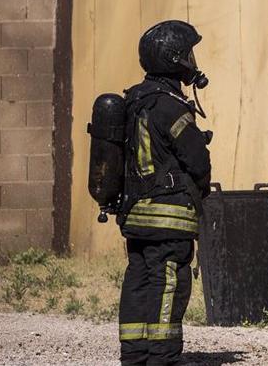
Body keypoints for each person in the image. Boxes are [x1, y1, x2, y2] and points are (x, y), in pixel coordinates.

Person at [116, 20, 212, 366]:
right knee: (168, 283)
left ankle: (135, 356)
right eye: (187, 53)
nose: (192, 59)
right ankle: (163, 358)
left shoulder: (133, 102)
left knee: (139, 281)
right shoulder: (171, 106)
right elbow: (197, 161)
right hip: (168, 218)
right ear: (175, 59)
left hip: (135, 217)